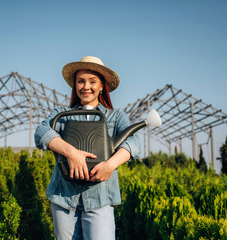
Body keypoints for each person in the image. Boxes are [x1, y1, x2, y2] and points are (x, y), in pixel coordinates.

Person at [35, 56, 140, 240]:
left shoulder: (115, 117)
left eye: (93, 82)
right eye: (81, 81)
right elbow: (41, 132)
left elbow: (134, 142)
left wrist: (110, 165)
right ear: (75, 86)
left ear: (102, 86)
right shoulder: (62, 115)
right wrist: (71, 152)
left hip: (100, 198)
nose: (86, 87)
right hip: (64, 197)